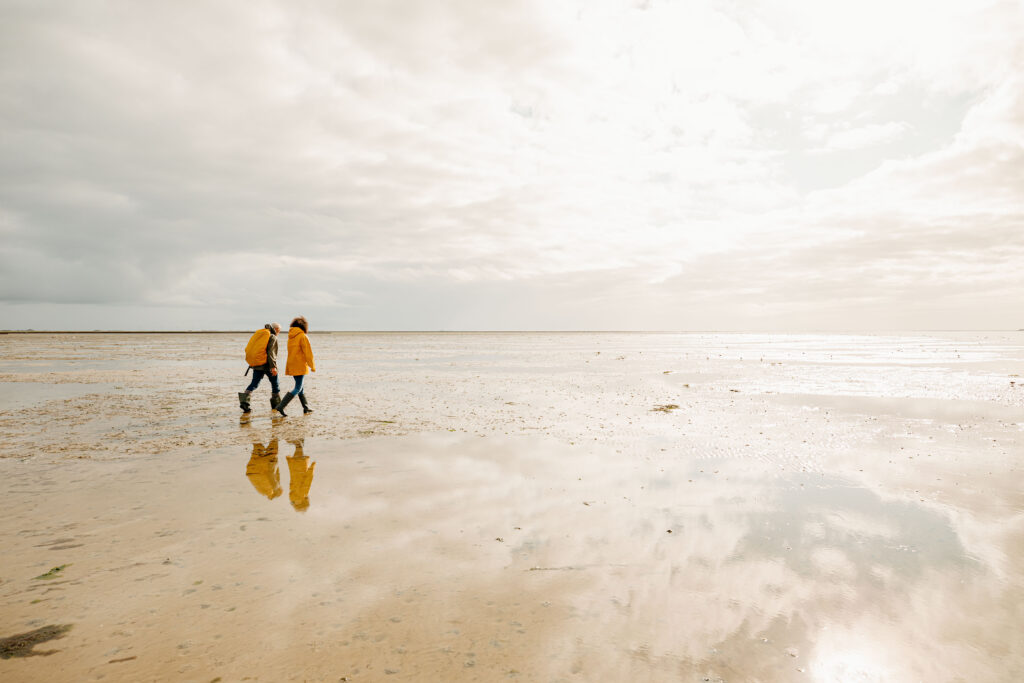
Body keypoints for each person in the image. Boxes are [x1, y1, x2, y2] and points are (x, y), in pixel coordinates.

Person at [275, 316, 315, 416]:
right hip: (300, 364)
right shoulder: (303, 336)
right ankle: (281, 406)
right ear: (304, 326)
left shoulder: (291, 336)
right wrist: (312, 365)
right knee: (298, 387)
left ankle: (306, 408)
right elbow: (308, 353)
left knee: (300, 387)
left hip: (292, 364)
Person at [238, 322, 281, 413]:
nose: (279, 332)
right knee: (275, 384)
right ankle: (277, 405)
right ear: (276, 329)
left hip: (257, 365)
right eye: (279, 330)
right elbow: (271, 353)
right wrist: (273, 367)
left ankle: (244, 403)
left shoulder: (261, 335)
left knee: (254, 383)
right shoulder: (272, 337)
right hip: (268, 365)